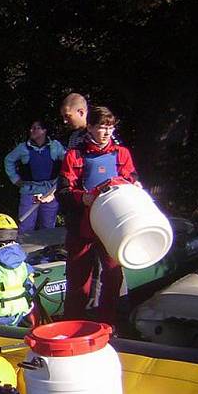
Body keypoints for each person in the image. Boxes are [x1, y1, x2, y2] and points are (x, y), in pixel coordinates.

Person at [57, 106, 139, 325]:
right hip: (81, 227)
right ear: (90, 127)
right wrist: (82, 198)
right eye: (102, 128)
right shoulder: (74, 155)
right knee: (78, 281)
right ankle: (72, 325)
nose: (106, 133)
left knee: (113, 276)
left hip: (112, 226)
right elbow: (63, 191)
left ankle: (106, 326)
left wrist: (136, 186)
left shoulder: (121, 154)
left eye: (110, 128)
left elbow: (131, 180)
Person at [4, 119, 66, 235]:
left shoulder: (55, 146)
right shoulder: (23, 148)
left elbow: (68, 162)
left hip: (49, 192)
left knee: (48, 226)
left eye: (36, 128)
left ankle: (48, 251)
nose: (32, 130)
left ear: (44, 130)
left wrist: (61, 182)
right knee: (26, 226)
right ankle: (24, 251)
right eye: (31, 128)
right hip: (29, 191)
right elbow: (8, 160)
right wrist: (15, 179)